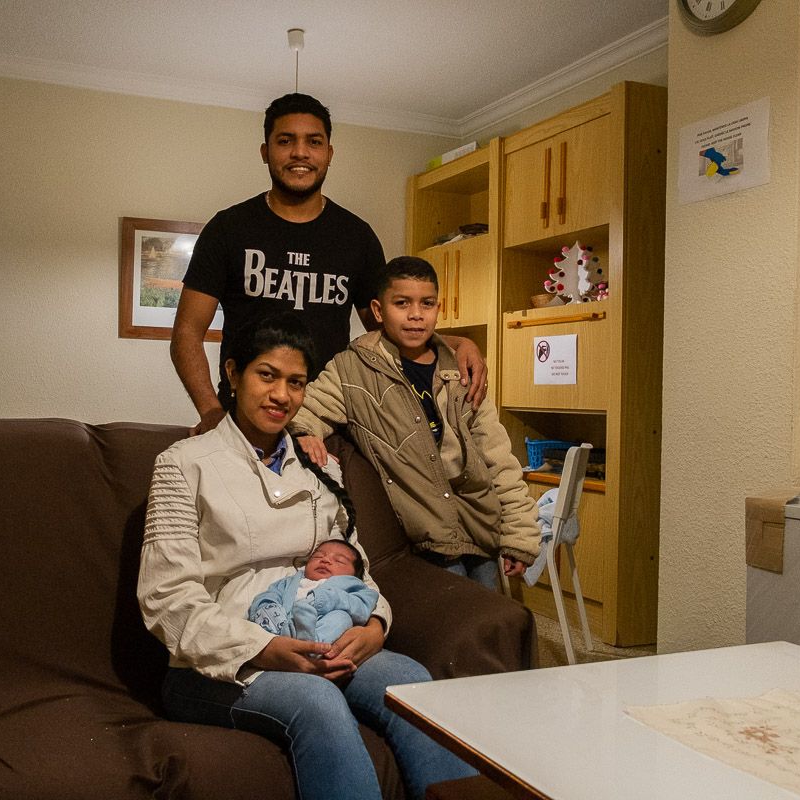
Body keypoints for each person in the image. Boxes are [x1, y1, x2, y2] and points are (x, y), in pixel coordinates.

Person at [138, 312, 476, 800]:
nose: (282, 395)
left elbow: (354, 564)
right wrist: (265, 649)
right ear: (233, 374)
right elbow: (165, 598)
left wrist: (375, 626)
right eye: (267, 375)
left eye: (296, 383)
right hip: (218, 661)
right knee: (315, 699)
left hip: (325, 638)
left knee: (409, 681)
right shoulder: (182, 465)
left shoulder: (321, 467)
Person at [171, 92, 488, 436]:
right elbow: (187, 332)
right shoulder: (228, 229)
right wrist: (211, 412)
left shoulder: (356, 236)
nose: (300, 153)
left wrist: (455, 344)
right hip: (245, 419)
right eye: (285, 140)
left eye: (314, 141)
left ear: (329, 154)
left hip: (330, 419)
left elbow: (387, 330)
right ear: (265, 152)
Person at [288, 256, 541, 591]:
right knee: (454, 619)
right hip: (425, 535)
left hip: (480, 526)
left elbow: (498, 458)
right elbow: (306, 408)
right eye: (402, 303)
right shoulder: (352, 370)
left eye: (427, 303)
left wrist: (519, 535)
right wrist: (304, 433)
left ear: (439, 308)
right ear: (378, 311)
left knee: (489, 618)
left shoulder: (462, 370)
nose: (416, 314)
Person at [248, 539, 379, 643]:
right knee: (267, 609)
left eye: (339, 560)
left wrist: (327, 598)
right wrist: (269, 607)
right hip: (284, 624)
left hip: (322, 626)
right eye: (318, 556)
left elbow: (362, 608)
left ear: (353, 575)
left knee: (341, 618)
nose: (325, 560)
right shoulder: (289, 582)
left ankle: (312, 644)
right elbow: (270, 594)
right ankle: (289, 634)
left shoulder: (355, 586)